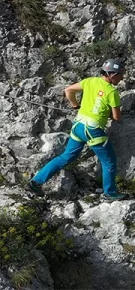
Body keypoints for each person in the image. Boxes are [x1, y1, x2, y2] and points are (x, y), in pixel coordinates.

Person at [27, 59, 128, 201]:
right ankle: (110, 193)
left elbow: (68, 90)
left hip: (79, 126)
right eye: (121, 74)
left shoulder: (90, 81)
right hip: (93, 129)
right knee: (109, 162)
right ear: (112, 75)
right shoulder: (112, 92)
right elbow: (117, 117)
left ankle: (35, 182)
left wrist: (75, 106)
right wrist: (111, 113)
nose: (122, 77)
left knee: (66, 157)